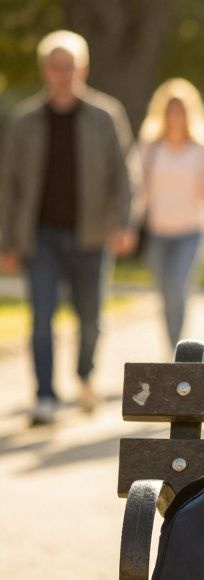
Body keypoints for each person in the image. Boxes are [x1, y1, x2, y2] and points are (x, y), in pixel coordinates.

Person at [0, 30, 135, 425]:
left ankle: (85, 374)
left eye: (70, 65)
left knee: (90, 319)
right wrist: (7, 239)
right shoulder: (25, 120)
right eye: (56, 66)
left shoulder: (105, 115)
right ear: (45, 70)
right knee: (41, 318)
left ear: (84, 68)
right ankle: (44, 395)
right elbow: (8, 184)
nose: (64, 73)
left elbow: (124, 174)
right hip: (39, 236)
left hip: (91, 235)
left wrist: (124, 223)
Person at [135, 78, 204, 350]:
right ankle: (170, 341)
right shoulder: (150, 146)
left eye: (181, 110)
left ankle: (178, 347)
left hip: (191, 230)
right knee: (164, 292)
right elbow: (138, 187)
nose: (175, 116)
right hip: (159, 230)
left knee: (177, 287)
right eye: (171, 110)